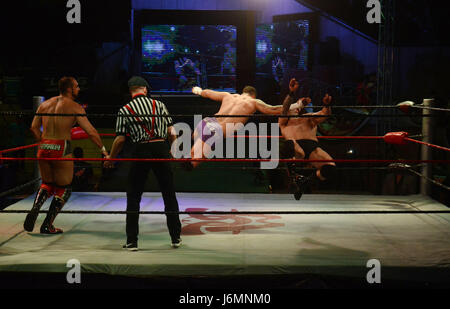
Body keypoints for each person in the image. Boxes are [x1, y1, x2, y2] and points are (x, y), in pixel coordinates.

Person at [104, 76, 181, 251]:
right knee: (169, 193)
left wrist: (111, 158)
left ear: (131, 92)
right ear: (145, 89)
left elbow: (120, 139)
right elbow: (172, 131)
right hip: (161, 147)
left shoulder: (125, 109)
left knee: (134, 196)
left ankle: (132, 241)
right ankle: (175, 237)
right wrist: (173, 148)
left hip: (141, 149)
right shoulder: (159, 105)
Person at [24, 77, 109, 234]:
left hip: (44, 146)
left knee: (47, 183)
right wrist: (104, 150)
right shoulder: (75, 107)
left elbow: (33, 128)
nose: (79, 89)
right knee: (64, 188)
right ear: (69, 89)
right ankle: (47, 225)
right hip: (61, 146)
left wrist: (42, 142)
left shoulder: (45, 104)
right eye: (76, 87)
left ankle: (36, 207)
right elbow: (90, 131)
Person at [188, 85, 297, 169]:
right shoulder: (253, 102)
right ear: (253, 95)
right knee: (196, 160)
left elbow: (208, 93)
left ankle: (184, 150)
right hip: (217, 130)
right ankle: (185, 162)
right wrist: (296, 105)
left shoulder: (228, 95)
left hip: (207, 121)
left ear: (243, 92)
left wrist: (198, 91)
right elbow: (273, 110)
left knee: (193, 152)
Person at [279, 78, 336, 200]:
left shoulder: (310, 118)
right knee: (289, 144)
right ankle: (294, 178)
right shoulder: (285, 120)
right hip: (295, 148)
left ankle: (306, 182)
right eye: (299, 104)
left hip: (312, 149)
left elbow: (325, 114)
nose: (301, 107)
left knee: (330, 167)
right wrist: (291, 93)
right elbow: (285, 108)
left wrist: (326, 104)